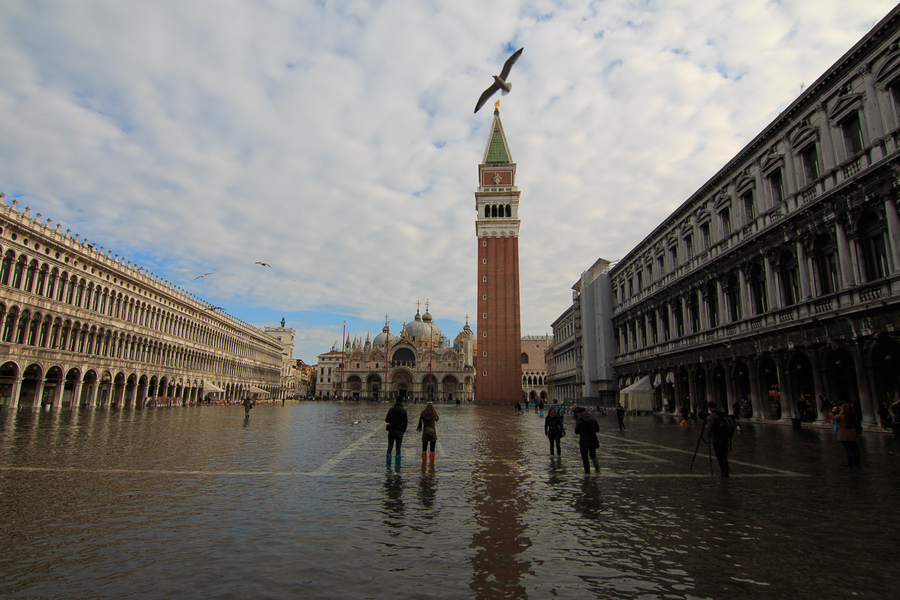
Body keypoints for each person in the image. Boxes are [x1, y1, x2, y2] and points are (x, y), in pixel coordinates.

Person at [831, 402, 861, 467]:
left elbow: (832, 417)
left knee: (848, 449)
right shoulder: (853, 415)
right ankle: (857, 463)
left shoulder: (841, 416)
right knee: (854, 448)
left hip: (844, 434)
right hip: (852, 434)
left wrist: (833, 411)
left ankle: (851, 464)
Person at [707, 401, 731, 477]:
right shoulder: (723, 413)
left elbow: (710, 427)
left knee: (719, 455)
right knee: (724, 454)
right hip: (725, 437)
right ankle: (726, 468)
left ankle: (724, 471)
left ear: (710, 407)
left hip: (717, 438)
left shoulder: (713, 415)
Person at [574, 407, 600, 474]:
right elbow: (597, 429)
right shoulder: (592, 418)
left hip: (584, 441)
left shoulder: (579, 420)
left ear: (579, 413)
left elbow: (576, 431)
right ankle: (597, 470)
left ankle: (587, 472)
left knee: (585, 458)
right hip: (592, 440)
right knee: (593, 456)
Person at [385, 399, 408, 465]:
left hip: (391, 430)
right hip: (400, 431)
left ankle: (388, 463)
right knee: (398, 448)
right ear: (402, 402)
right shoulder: (404, 410)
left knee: (389, 447)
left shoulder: (391, 409)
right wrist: (403, 430)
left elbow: (387, 420)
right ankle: (398, 464)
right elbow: (405, 422)